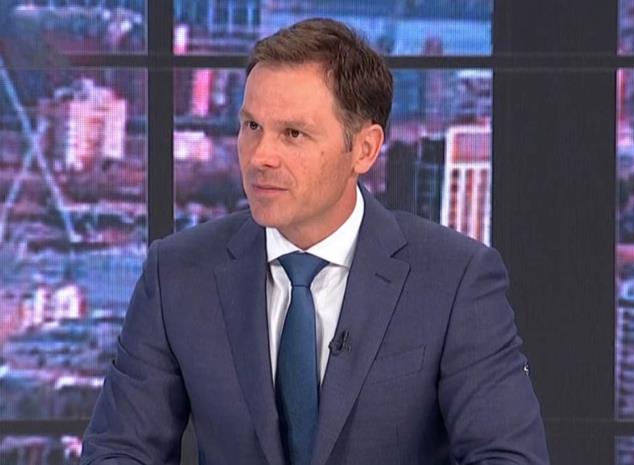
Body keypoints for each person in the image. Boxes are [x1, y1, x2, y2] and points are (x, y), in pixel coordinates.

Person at [81, 18, 549, 465]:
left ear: (364, 149)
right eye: (252, 127)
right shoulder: (178, 273)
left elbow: (506, 456)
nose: (261, 157)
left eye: (293, 133)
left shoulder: (454, 280)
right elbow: (119, 450)